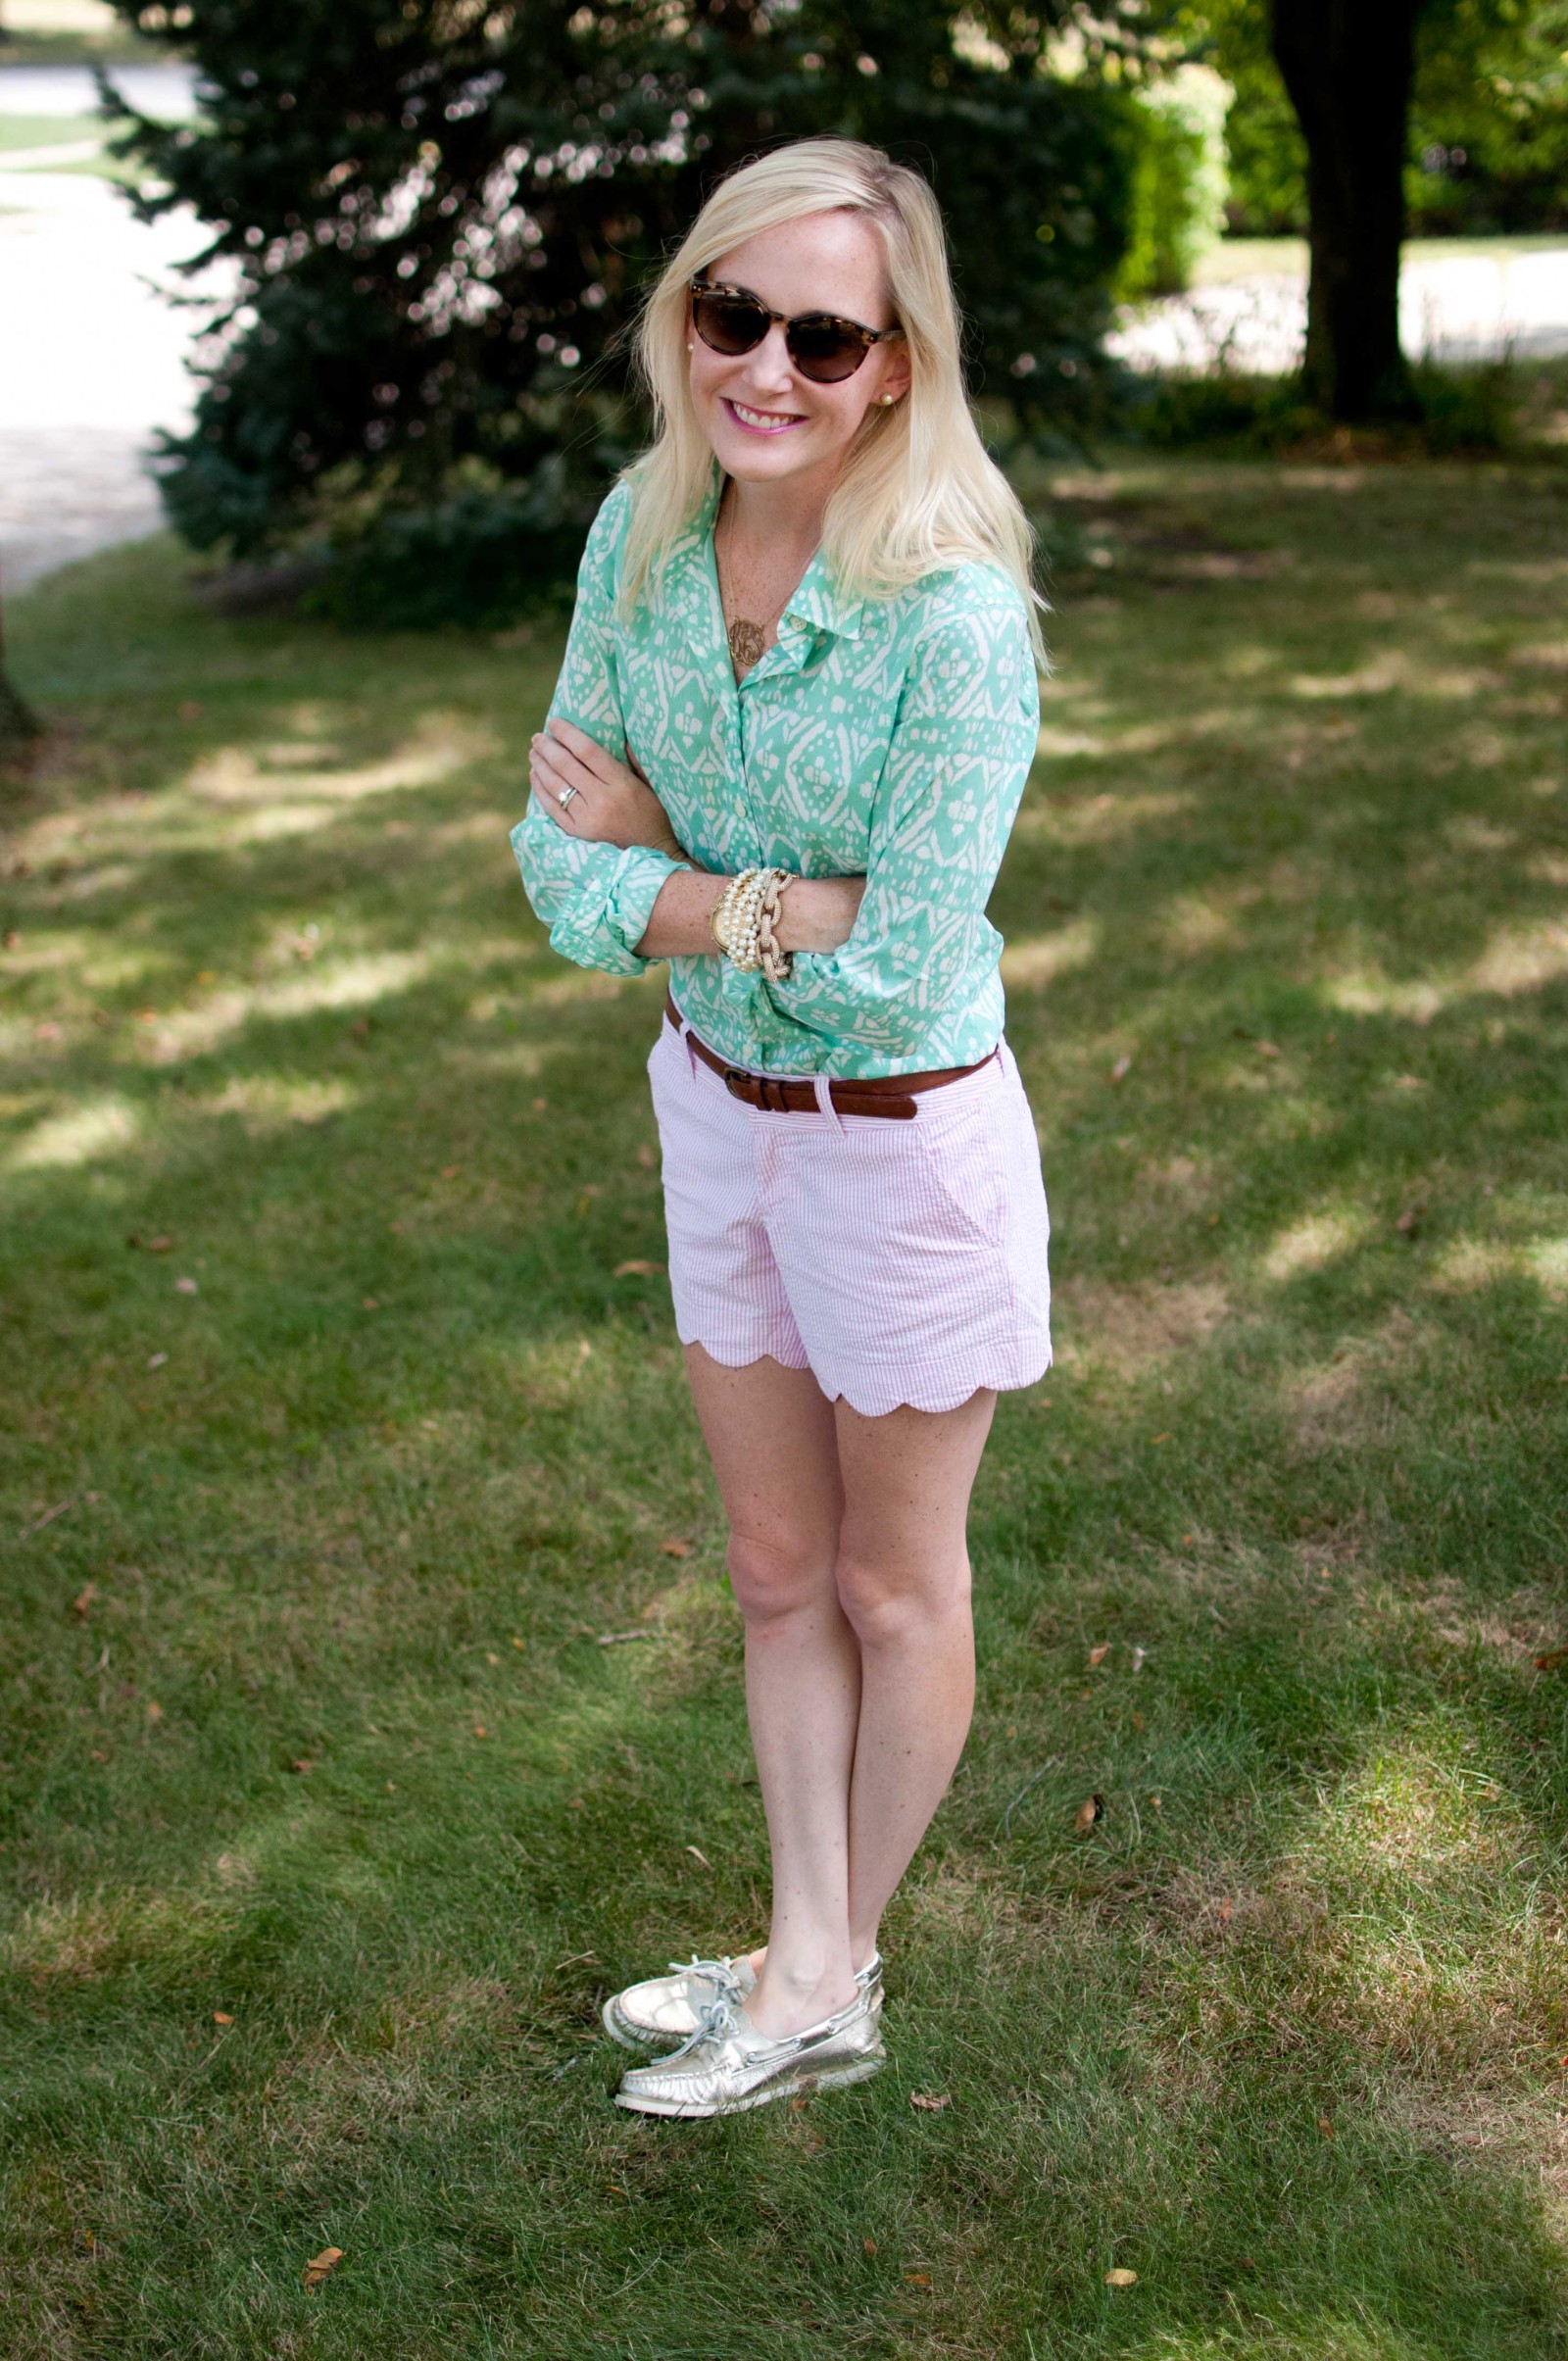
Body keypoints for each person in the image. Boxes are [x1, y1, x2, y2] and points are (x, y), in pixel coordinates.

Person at [513, 135, 1051, 2120]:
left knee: (893, 1582)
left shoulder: (954, 621)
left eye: (821, 336)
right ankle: (796, 1947)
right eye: (730, 313)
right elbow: (547, 851)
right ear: (685, 317)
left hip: (893, 1138)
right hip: (714, 1111)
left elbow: (904, 958)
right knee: (766, 1562)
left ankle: (824, 1967)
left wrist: (674, 864)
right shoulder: (637, 536)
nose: (764, 367)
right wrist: (726, 899)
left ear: (896, 365)